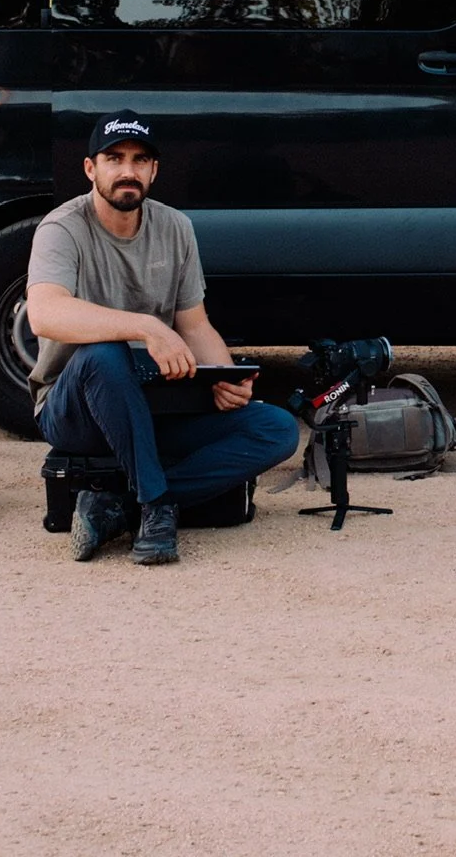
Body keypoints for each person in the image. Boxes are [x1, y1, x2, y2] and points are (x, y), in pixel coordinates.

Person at [27, 111, 300, 564]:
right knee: (104, 354)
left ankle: (121, 507)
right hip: (75, 410)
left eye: (140, 160)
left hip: (152, 402)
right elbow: (44, 313)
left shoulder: (175, 227)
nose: (128, 171)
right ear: (91, 169)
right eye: (114, 158)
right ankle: (155, 505)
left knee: (276, 429)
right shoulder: (62, 228)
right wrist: (146, 326)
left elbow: (194, 326)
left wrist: (225, 378)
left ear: (154, 170)